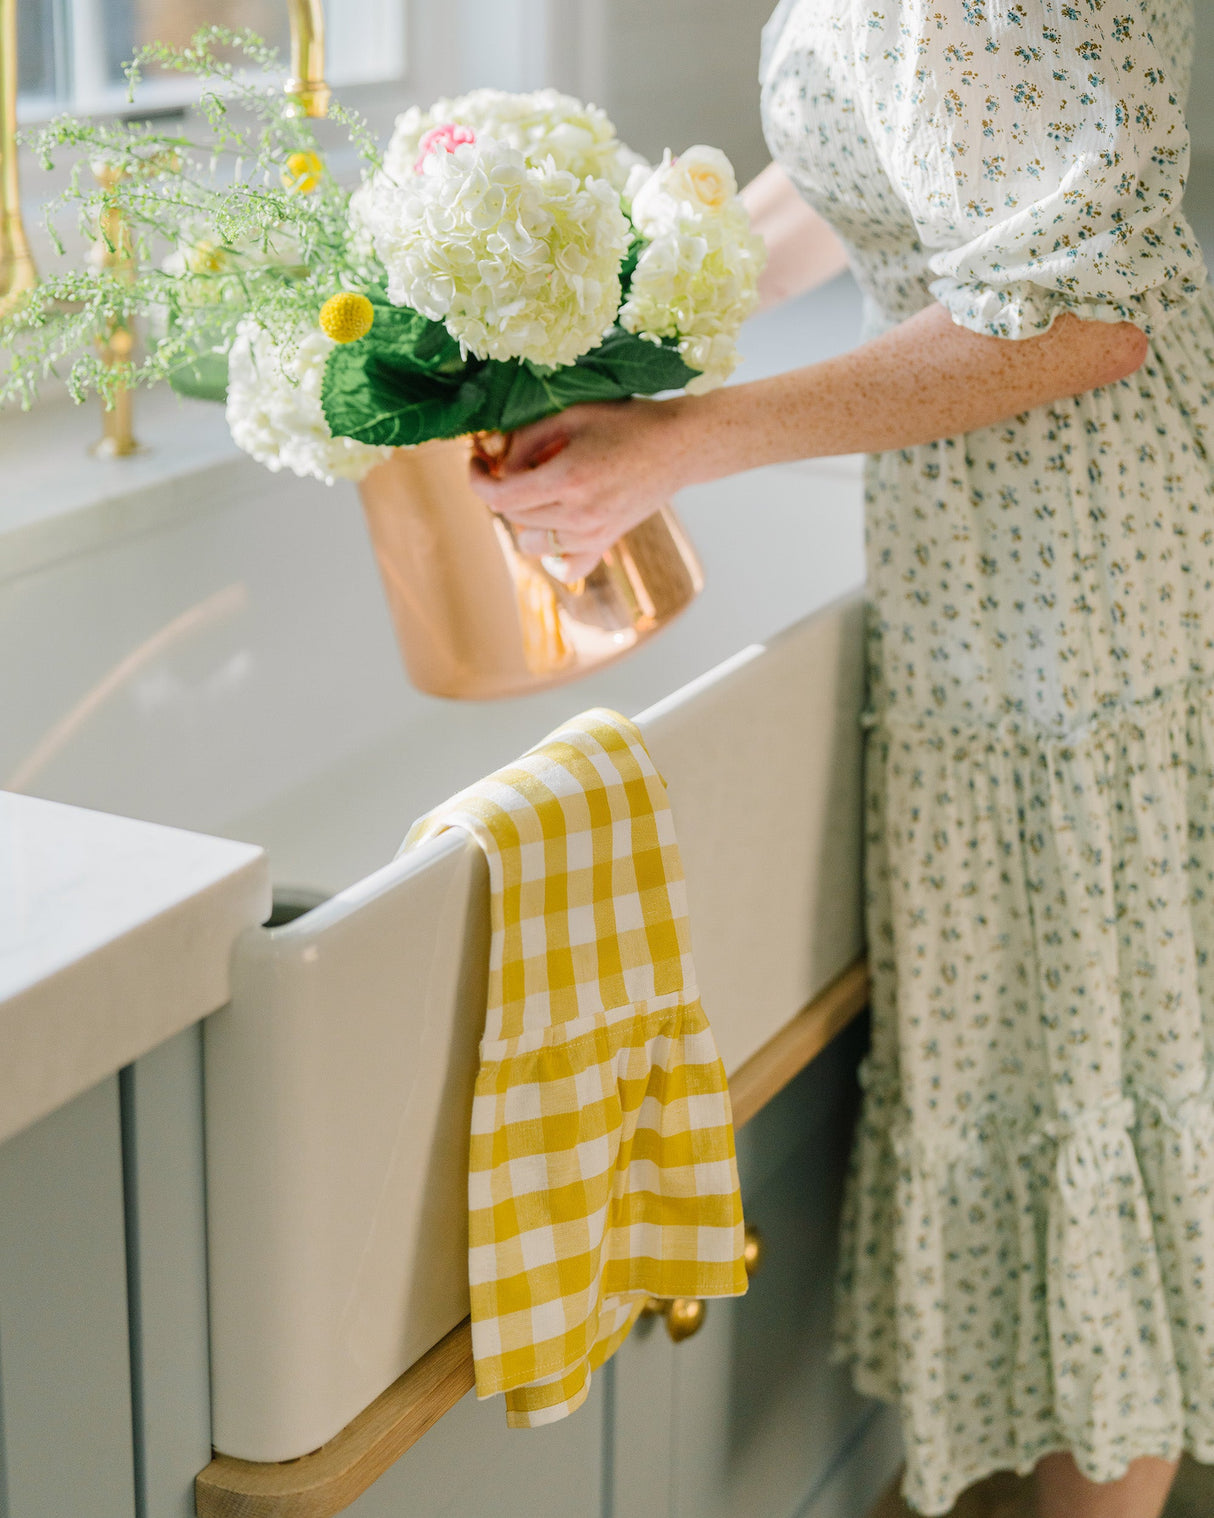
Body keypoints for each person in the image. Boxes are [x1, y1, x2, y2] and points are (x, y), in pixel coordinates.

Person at [469, 3, 1214, 1516]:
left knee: (1099, 1057)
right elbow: (844, 173)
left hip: (1089, 572)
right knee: (1040, 1045)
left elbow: (1085, 317)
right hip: (970, 556)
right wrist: (621, 338)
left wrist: (686, 440)